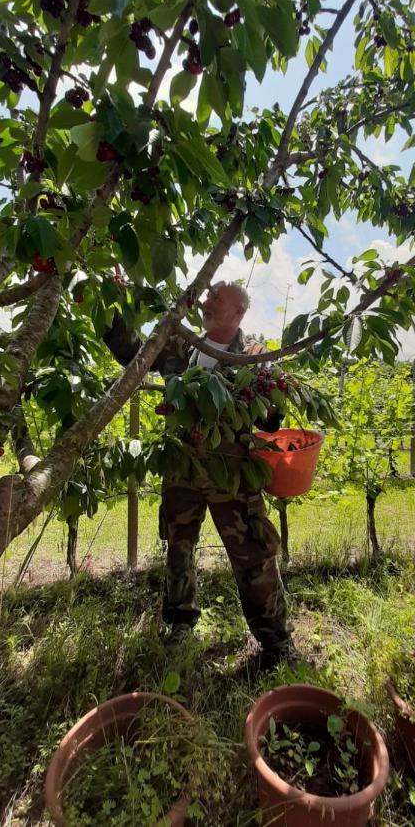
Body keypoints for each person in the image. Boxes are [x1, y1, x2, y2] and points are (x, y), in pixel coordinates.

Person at [104, 281, 294, 668]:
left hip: (232, 477)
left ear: (239, 312)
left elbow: (270, 421)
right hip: (183, 471)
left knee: (253, 557)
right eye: (206, 296)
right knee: (178, 549)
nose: (205, 302)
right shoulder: (181, 347)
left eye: (216, 298)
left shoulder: (252, 358)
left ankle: (276, 642)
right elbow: (133, 354)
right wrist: (111, 303)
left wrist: (272, 384)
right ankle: (179, 626)